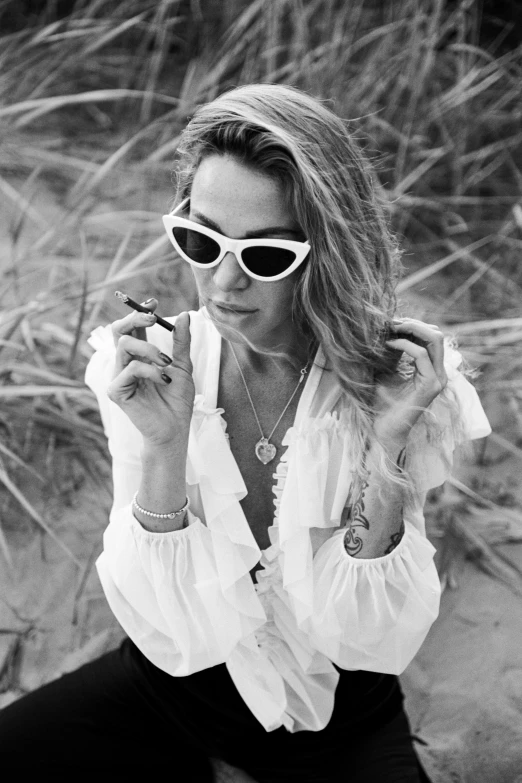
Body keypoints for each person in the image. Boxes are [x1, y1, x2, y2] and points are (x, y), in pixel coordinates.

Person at [0, 84, 491, 781]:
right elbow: (165, 624)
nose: (221, 282)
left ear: (326, 252)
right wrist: (166, 448)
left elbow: (364, 637)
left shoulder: (402, 385)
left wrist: (385, 449)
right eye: (201, 239)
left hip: (338, 724)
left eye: (264, 255)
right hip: (172, 692)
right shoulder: (142, 368)